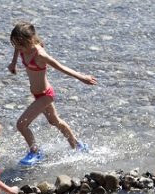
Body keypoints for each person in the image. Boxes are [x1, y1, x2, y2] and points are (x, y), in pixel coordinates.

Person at [8, 21, 97, 166]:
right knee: (54, 121)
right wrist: (13, 63)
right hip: (38, 94)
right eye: (14, 44)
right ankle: (77, 145)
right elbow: (18, 50)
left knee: (21, 124)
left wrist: (82, 77)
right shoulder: (23, 48)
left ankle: (36, 152)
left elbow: (61, 67)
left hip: (45, 95)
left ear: (29, 40)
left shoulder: (41, 55)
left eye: (19, 44)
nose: (17, 47)